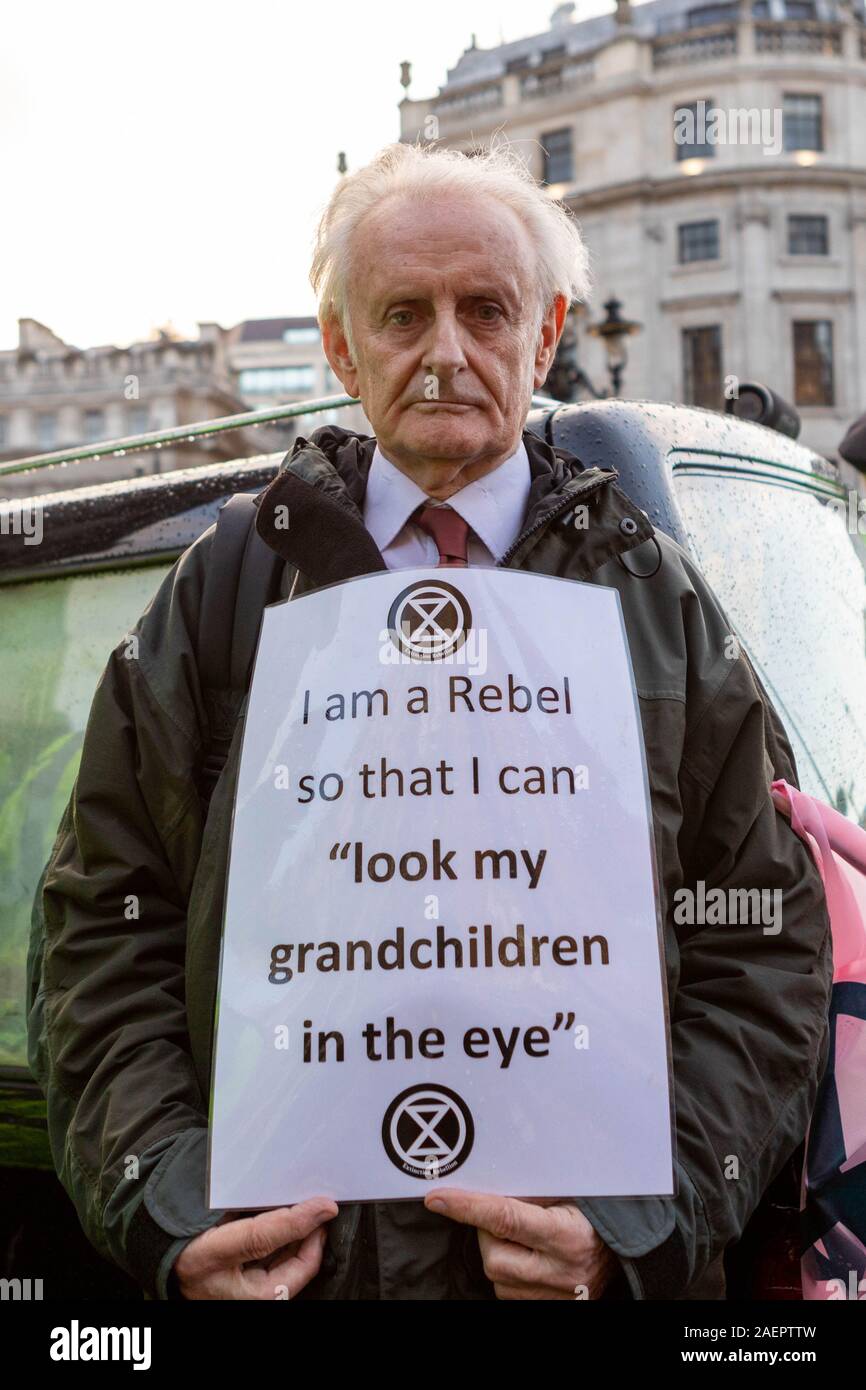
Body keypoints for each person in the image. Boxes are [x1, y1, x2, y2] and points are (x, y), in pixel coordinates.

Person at [27, 140, 832, 1301]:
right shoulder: (225, 591)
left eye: (485, 311)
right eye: (403, 314)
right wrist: (170, 1199)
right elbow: (105, 920)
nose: (446, 353)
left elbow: (758, 939)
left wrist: (639, 1219)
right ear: (341, 348)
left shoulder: (654, 601)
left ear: (544, 334)